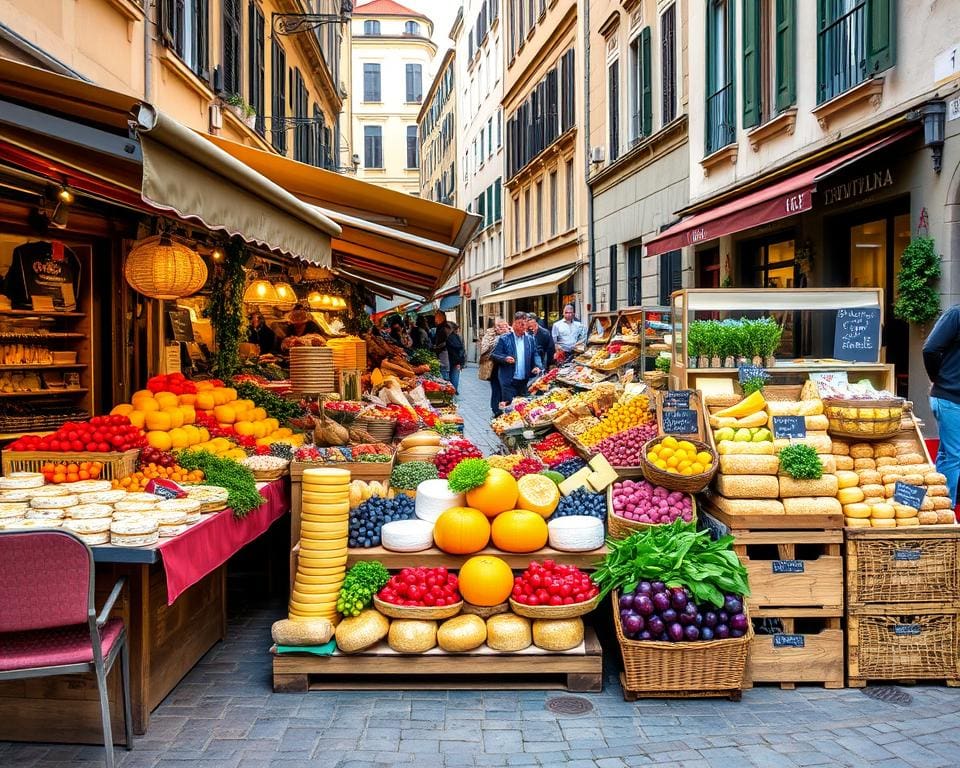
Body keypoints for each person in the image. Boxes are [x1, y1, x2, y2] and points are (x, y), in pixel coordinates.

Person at [923, 305, 960, 505]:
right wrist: (938, 379)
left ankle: (940, 504)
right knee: (954, 455)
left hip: (950, 394)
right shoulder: (956, 315)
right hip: (951, 397)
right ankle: (946, 508)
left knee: (950, 454)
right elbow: (930, 349)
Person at [492, 312, 542, 404]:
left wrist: (537, 366)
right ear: (514, 324)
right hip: (509, 381)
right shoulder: (504, 338)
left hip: (524, 381)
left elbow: (535, 354)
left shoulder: (530, 339)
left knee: (523, 407)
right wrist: (505, 358)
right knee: (509, 407)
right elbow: (495, 355)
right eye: (521, 323)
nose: (523, 326)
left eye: (525, 323)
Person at [479, 317, 510, 416]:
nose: (502, 328)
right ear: (495, 327)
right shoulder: (489, 336)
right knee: (496, 388)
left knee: (504, 388)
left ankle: (504, 407)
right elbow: (484, 349)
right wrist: (499, 339)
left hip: (506, 366)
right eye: (499, 326)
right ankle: (496, 409)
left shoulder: (511, 334)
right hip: (493, 367)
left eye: (504, 326)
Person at [446, 322, 466, 394]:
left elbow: (461, 350)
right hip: (455, 360)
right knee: (454, 375)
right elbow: (462, 349)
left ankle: (453, 391)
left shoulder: (452, 337)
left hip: (454, 360)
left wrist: (459, 362)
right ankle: (453, 390)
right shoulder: (457, 337)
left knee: (454, 375)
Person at [433, 315, 450, 379]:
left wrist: (437, 348)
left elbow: (445, 343)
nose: (435, 320)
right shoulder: (440, 328)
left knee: (444, 372)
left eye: (437, 318)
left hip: (443, 355)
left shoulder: (444, 329)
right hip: (442, 355)